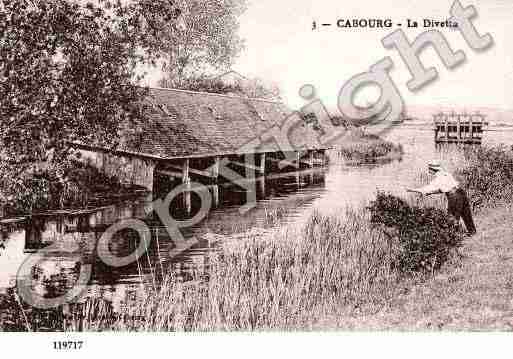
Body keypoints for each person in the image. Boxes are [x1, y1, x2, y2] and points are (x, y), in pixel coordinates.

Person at [406, 160, 476, 235]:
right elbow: (442, 189)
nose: (429, 171)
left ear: (432, 170)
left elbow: (427, 189)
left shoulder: (438, 179)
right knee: (466, 213)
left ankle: (453, 236)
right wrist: (431, 192)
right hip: (461, 192)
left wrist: (411, 190)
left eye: (429, 169)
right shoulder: (446, 174)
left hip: (454, 196)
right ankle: (472, 231)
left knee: (452, 217)